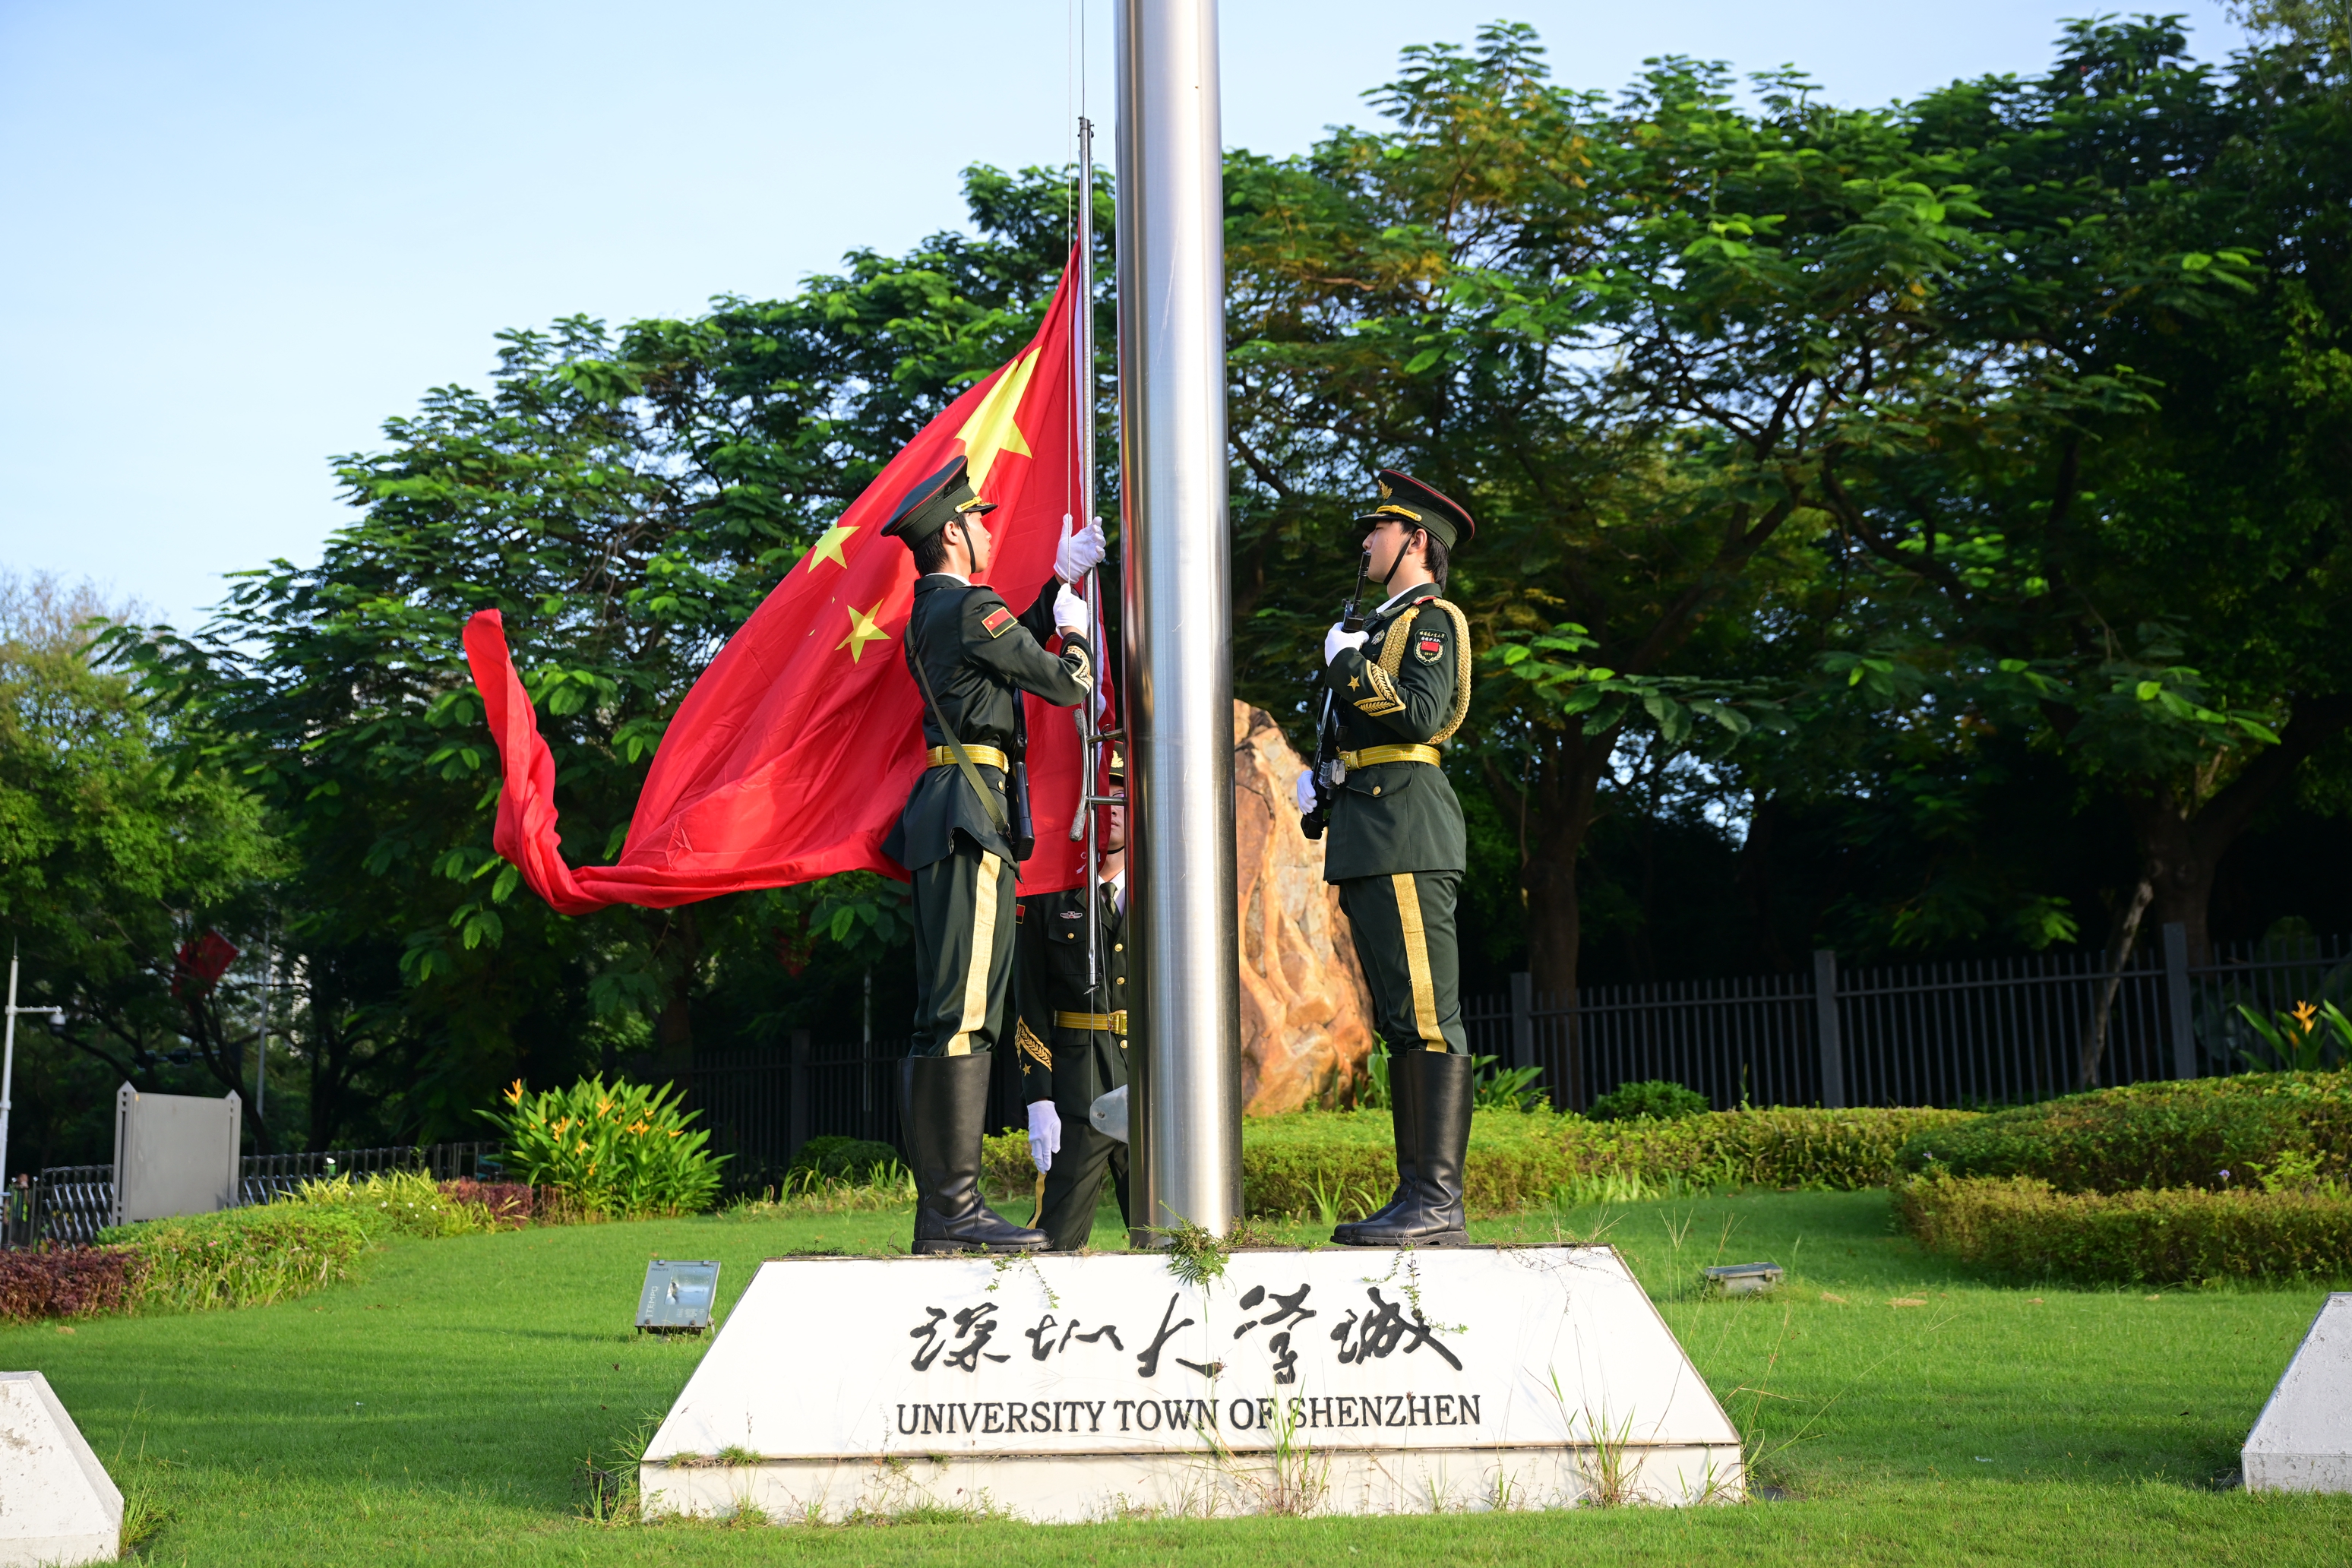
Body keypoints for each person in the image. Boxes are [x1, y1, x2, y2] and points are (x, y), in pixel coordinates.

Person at [880, 454, 1105, 1254]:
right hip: (970, 818)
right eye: (977, 520)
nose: (985, 531)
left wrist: (1051, 588)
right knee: (963, 1016)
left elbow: (998, 656)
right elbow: (1062, 685)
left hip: (955, 810)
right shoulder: (969, 606)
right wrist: (1072, 634)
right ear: (951, 532)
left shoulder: (944, 610)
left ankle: (941, 1209)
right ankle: (953, 1210)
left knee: (947, 1015)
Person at [1295, 469, 1477, 1247]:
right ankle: (1418, 1197)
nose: (1366, 541)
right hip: (1371, 831)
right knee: (1403, 1022)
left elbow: (1422, 716)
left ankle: (1437, 1201)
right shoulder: (1376, 625)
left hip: (1406, 830)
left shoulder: (1433, 620)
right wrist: (1325, 781)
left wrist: (1346, 667)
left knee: (1428, 1020)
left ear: (1417, 541)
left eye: (1380, 528)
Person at [1013, 748, 1131, 1250]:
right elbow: (1029, 1004)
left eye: (1124, 796)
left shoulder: (1171, 892)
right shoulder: (1045, 898)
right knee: (1053, 1246)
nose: (1115, 807)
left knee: (1180, 1247)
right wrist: (1039, 1097)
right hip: (1077, 1092)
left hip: (1157, 1094)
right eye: (1106, 793)